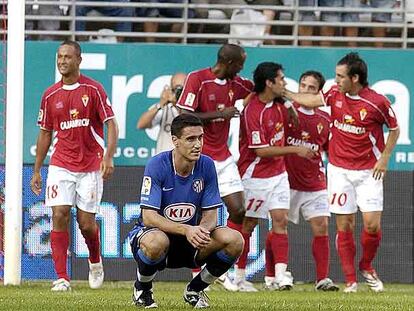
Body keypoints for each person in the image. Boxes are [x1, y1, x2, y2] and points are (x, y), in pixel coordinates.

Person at [283, 52, 400, 293]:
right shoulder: (333, 94)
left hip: (369, 171)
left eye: (340, 76)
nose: (335, 81)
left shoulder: (377, 102)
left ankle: (366, 266)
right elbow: (311, 101)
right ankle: (350, 281)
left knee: (371, 226)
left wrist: (385, 159)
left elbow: (395, 129)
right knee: (344, 224)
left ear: (355, 78)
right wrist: (283, 92)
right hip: (338, 170)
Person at [128, 114, 243, 308]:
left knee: (234, 240)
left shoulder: (207, 165)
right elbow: (149, 217)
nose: (197, 144)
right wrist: (187, 230)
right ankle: (143, 289)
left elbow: (210, 215)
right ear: (175, 141)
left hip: (190, 240)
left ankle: (195, 290)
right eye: (190, 139)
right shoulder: (157, 165)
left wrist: (201, 230)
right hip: (157, 237)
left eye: (200, 138)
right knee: (156, 242)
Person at [30, 40, 119, 291]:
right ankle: (61, 278)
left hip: (90, 165)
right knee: (58, 214)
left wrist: (108, 156)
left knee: (86, 223)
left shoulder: (94, 90)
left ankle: (95, 260)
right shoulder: (50, 95)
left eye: (68, 56)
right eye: (59, 57)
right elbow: (45, 132)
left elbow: (111, 123)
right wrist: (38, 169)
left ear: (79, 59)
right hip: (60, 164)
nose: (62, 61)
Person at [176, 44, 253, 289]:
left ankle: (219, 264)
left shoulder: (236, 83)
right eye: (240, 64)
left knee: (239, 209)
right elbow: (183, 115)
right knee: (196, 216)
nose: (242, 69)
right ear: (229, 63)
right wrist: (220, 114)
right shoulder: (197, 79)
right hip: (199, 158)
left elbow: (258, 90)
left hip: (224, 158)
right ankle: (196, 270)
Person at [235, 62, 316, 291]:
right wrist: (295, 150)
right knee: (249, 224)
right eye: (280, 79)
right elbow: (260, 151)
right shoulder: (253, 112)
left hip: (278, 173)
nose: (284, 83)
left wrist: (289, 103)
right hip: (255, 175)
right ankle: (239, 278)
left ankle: (279, 277)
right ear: (269, 83)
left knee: (280, 221)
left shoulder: (280, 104)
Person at [282, 71, 338, 291]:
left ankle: (322, 279)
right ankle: (277, 276)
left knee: (321, 226)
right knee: (279, 226)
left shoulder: (326, 119)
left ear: (318, 92)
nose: (304, 90)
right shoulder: (286, 112)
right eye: (302, 85)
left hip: (314, 181)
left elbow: (327, 151)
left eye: (311, 88)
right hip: (285, 180)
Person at [137, 72, 186, 154]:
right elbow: (141, 124)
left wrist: (177, 105)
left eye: (181, 89)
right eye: (175, 89)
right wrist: (160, 104)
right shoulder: (164, 107)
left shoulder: (192, 107)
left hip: (185, 162)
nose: (178, 92)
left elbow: (187, 121)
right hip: (164, 161)